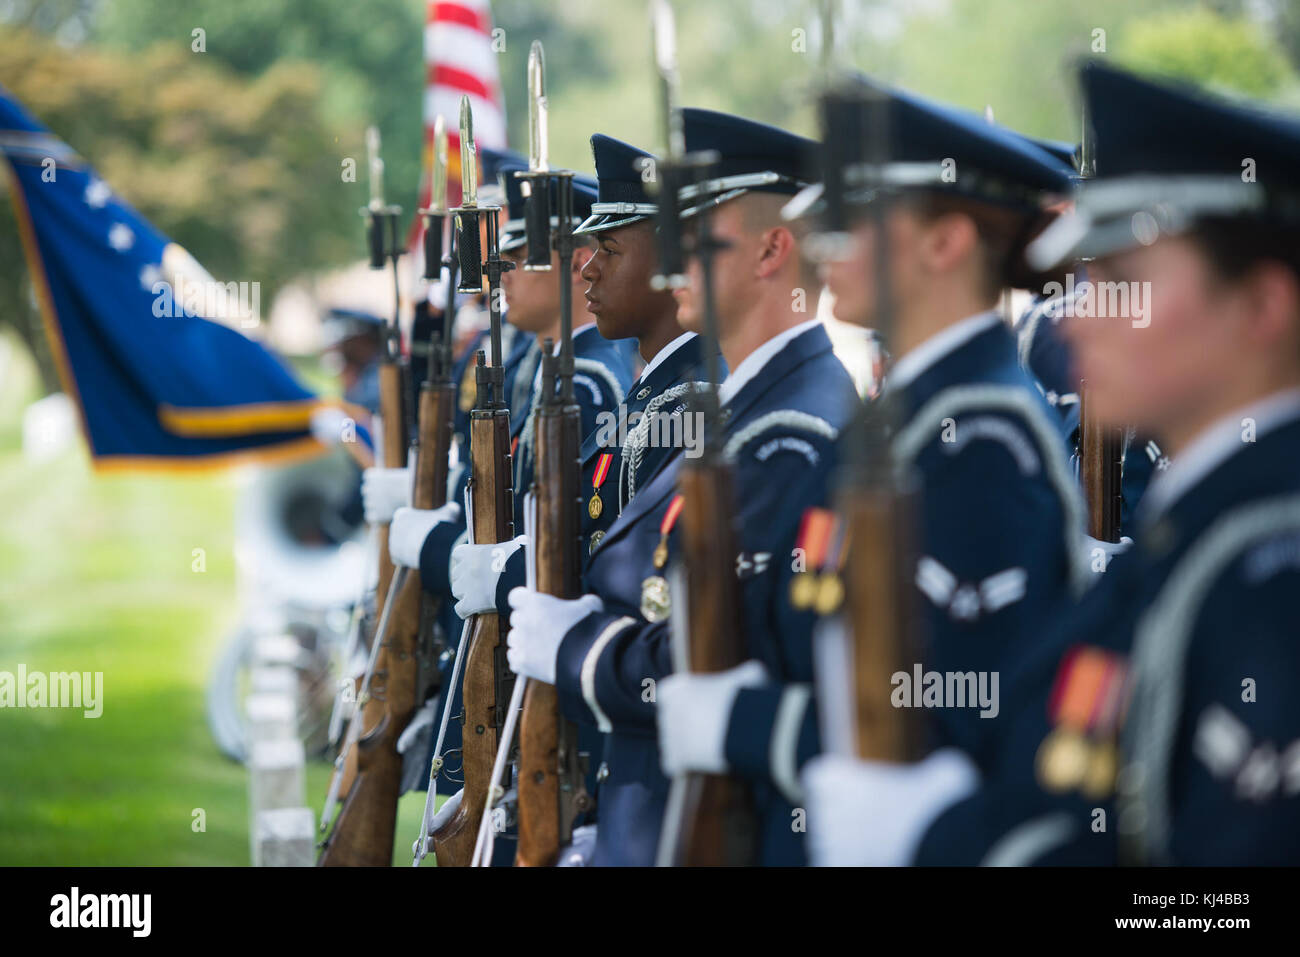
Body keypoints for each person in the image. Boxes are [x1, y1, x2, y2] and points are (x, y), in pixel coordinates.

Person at [804, 61, 1300, 867]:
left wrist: (943, 845)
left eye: (1124, 281)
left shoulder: (1273, 573)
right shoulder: (1203, 532)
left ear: (1263, 306)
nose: (1080, 315)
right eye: (1087, 275)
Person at [654, 77, 1087, 865]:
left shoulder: (982, 444)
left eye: (855, 219)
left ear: (945, 241)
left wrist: (749, 724)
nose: (827, 241)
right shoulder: (900, 422)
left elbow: (963, 709)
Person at [504, 108, 860, 865]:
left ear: (772, 249)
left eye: (699, 241)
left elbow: (711, 665)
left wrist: (574, 652)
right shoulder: (757, 412)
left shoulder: (790, 429)